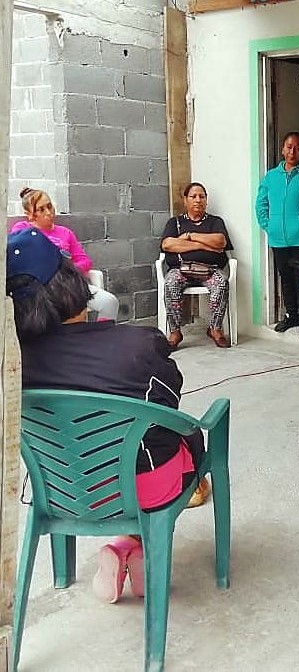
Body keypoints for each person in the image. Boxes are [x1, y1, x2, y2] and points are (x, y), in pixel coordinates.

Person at [7, 228, 208, 605]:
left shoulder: (13, 368)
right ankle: (134, 544)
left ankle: (108, 555)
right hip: (138, 491)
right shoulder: (138, 345)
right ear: (71, 282)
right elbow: (168, 408)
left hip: (56, 488)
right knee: (186, 439)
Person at [255, 130, 299, 336]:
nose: (292, 152)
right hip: (278, 238)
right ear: (282, 149)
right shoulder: (271, 176)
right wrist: (268, 225)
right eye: (289, 147)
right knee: (285, 276)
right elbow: (261, 203)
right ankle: (291, 314)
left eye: (298, 148)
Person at [12, 187, 120, 321]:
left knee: (110, 302)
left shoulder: (65, 233)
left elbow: (85, 261)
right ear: (29, 214)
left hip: (68, 284)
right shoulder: (22, 230)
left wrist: (68, 271)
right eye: (41, 209)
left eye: (49, 206)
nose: (49, 212)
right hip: (40, 289)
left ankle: (103, 334)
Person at [160, 182, 234, 349]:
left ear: (206, 200)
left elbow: (220, 241)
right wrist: (203, 245)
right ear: (185, 200)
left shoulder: (215, 221)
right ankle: (175, 332)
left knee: (221, 283)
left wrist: (190, 236)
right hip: (181, 269)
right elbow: (167, 244)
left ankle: (215, 329)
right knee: (170, 282)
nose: (198, 200)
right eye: (193, 196)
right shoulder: (175, 223)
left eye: (202, 196)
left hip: (210, 270)